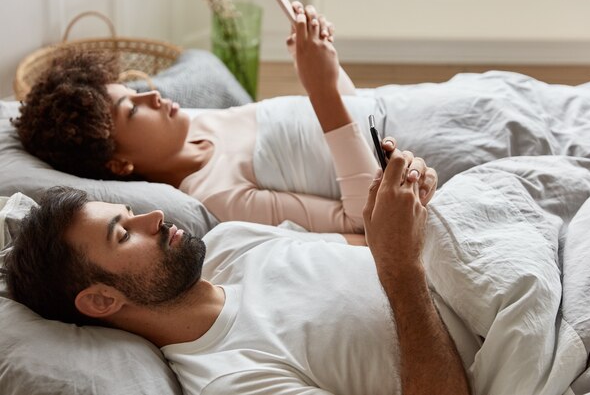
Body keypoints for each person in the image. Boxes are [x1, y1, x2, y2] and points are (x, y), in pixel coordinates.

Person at [1, 140, 470, 395]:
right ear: (103, 299)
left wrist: (406, 208)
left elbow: (376, 246)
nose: (154, 218)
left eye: (132, 213)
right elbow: (395, 263)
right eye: (124, 234)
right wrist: (403, 270)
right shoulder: (230, 378)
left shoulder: (229, 242)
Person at [12, 3, 390, 237]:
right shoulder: (218, 196)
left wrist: (318, 63)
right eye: (132, 109)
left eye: (133, 91)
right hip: (407, 157)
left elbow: (348, 121)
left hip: (388, 108)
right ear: (119, 163)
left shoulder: (196, 123)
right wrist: (321, 91)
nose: (152, 94)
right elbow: (364, 222)